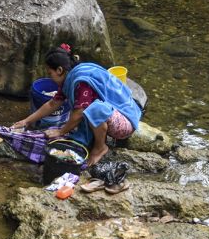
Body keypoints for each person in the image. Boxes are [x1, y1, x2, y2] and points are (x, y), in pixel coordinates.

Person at [12, 44, 141, 166]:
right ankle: (98, 138)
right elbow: (53, 104)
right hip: (117, 114)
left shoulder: (81, 82)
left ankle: (100, 147)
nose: (50, 77)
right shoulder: (70, 77)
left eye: (50, 73)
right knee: (90, 110)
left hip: (125, 123)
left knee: (94, 110)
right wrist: (26, 121)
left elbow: (79, 113)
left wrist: (60, 131)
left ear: (59, 70)